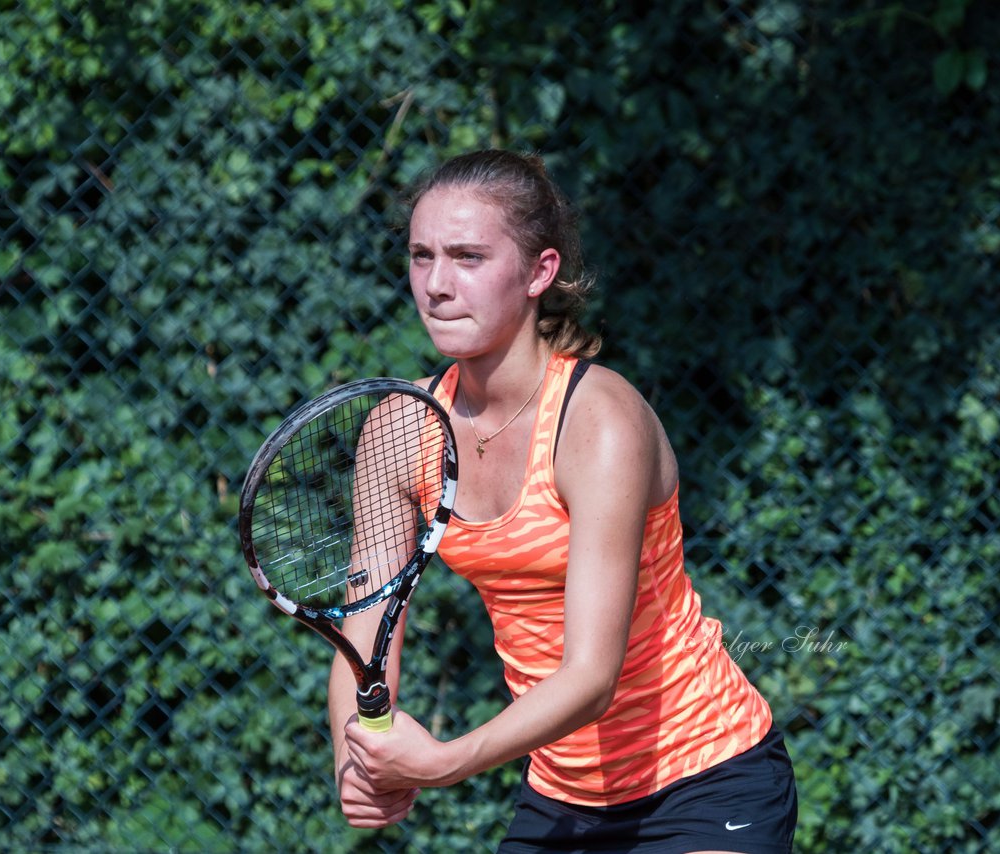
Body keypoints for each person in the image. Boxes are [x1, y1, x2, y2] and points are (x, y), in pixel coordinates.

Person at [328, 149, 798, 853]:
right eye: (421, 256)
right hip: (563, 799)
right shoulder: (401, 428)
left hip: (709, 777)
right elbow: (367, 630)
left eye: (468, 257)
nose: (437, 284)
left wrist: (447, 761)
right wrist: (357, 758)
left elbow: (591, 676)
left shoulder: (599, 422)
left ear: (539, 273)